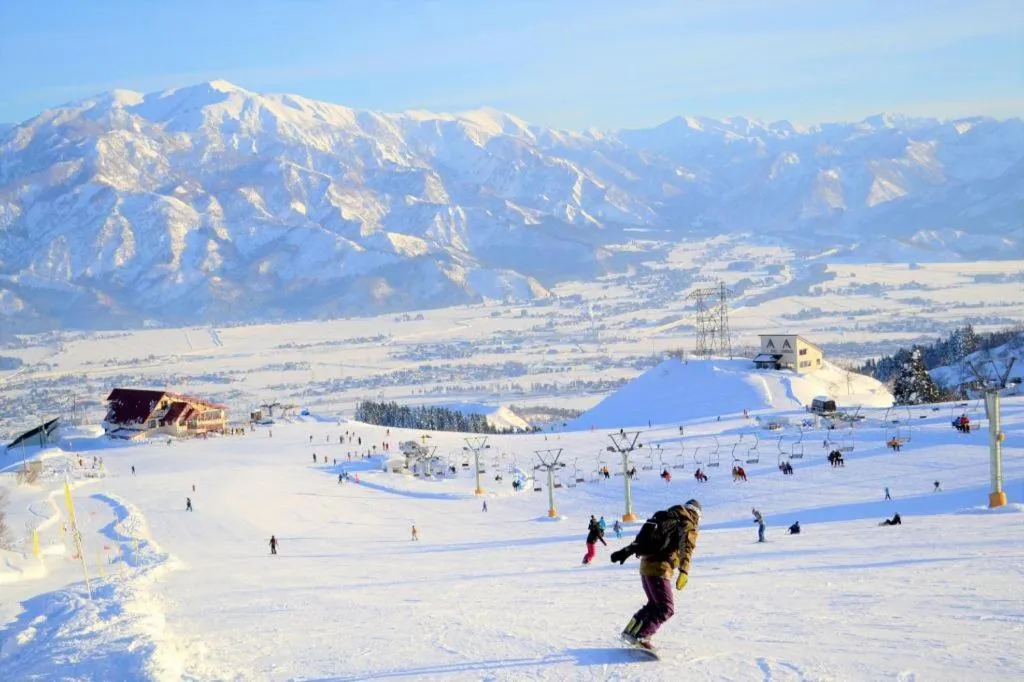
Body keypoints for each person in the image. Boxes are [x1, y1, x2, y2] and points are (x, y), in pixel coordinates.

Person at [612, 499, 701, 651]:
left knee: (654, 605)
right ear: (697, 514)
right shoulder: (688, 523)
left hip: (645, 566)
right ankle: (643, 636)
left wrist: (627, 551)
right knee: (666, 608)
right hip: (659, 569)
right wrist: (684, 571)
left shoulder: (666, 515)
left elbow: (644, 538)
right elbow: (687, 548)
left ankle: (630, 631)